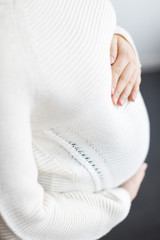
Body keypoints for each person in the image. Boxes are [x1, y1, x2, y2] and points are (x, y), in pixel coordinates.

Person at [0, 0, 150, 239]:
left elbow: (85, 30)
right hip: (84, 206)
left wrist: (121, 42)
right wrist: (120, 200)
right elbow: (18, 222)